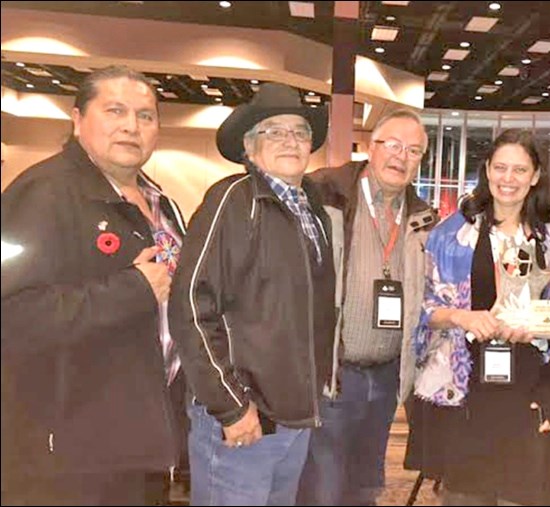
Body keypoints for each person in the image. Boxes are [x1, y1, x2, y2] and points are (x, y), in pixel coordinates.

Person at [1, 65, 186, 505]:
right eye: (115, 110)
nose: (131, 125)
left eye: (145, 115)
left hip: (140, 438)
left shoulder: (160, 201)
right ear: (78, 118)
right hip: (69, 454)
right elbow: (12, 317)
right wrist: (132, 291)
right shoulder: (41, 193)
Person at [167, 83, 336, 506]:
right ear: (249, 146)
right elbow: (191, 304)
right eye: (274, 131)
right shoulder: (232, 201)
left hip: (294, 416)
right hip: (242, 417)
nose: (290, 140)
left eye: (299, 132)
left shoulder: (313, 212)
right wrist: (230, 406)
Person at [409, 128, 550, 505]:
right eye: (500, 167)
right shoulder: (452, 235)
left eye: (520, 170)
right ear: (487, 170)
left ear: (535, 176)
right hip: (466, 390)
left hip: (527, 390)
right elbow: (419, 308)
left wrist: (536, 327)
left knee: (524, 492)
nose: (508, 178)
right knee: (464, 494)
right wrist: (461, 317)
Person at [297, 109, 438, 506]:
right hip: (334, 374)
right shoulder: (324, 195)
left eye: (414, 150)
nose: (401, 156)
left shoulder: (422, 218)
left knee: (365, 487)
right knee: (322, 488)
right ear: (370, 148)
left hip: (387, 376)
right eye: (392, 145)